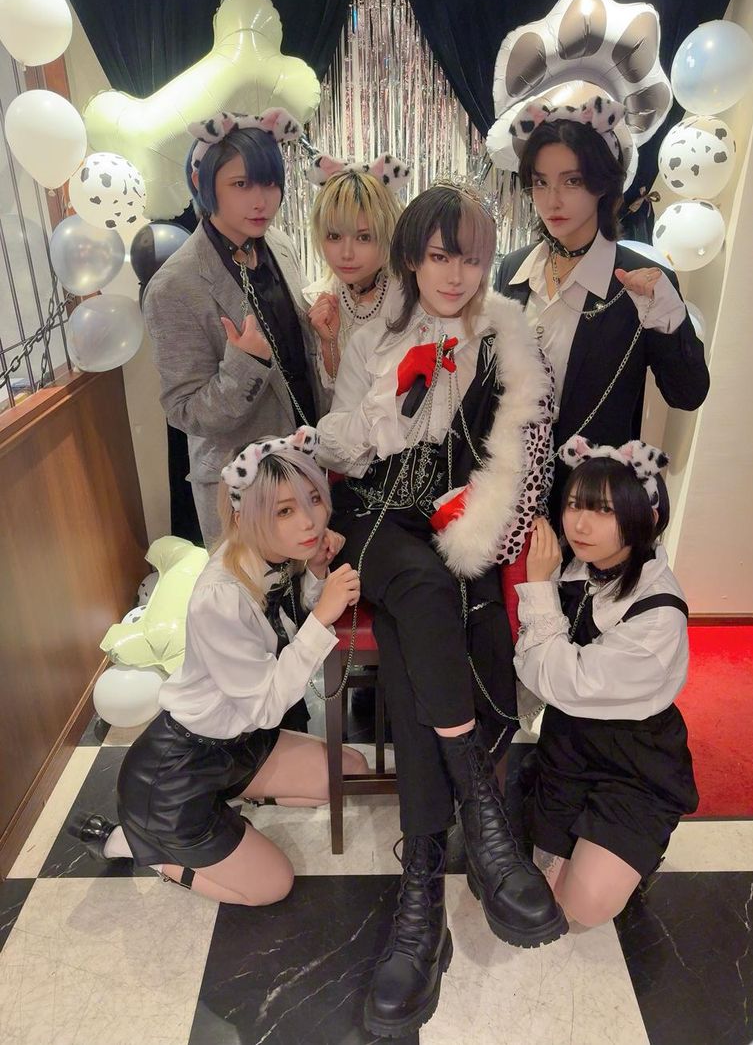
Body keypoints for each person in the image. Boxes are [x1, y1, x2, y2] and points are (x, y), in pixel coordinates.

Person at [316, 184, 566, 1038]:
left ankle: (419, 901)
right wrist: (390, 407)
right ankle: (481, 815)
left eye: (470, 256)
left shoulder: (506, 337)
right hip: (378, 515)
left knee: (420, 618)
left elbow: (522, 456)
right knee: (421, 589)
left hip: (457, 522)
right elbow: (338, 446)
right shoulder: (374, 335)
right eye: (437, 256)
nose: (454, 274)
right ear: (412, 259)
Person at [71, 429, 367, 906]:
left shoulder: (270, 557)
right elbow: (266, 705)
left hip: (240, 748)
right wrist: (322, 618)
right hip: (177, 776)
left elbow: (283, 630)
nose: (309, 521)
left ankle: (230, 804)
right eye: (284, 511)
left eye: (313, 499)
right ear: (245, 515)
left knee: (349, 771)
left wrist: (315, 572)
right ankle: (135, 843)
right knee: (272, 885)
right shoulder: (220, 596)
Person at [514, 434, 699, 928]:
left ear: (647, 518)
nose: (579, 523)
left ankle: (633, 849)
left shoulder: (658, 614)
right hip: (568, 747)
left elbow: (562, 681)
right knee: (545, 893)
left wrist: (538, 587)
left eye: (604, 510)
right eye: (575, 504)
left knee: (583, 907)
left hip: (635, 763)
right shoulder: (581, 566)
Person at [494, 97, 710, 516]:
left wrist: (667, 315)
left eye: (572, 181)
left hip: (590, 503)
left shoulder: (642, 282)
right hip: (510, 495)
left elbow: (687, 393)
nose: (552, 200)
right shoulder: (514, 269)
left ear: (602, 185)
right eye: (540, 182)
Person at [145, 108, 325, 547]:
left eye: (270, 183)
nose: (261, 201)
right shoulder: (173, 287)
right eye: (241, 185)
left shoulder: (278, 244)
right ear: (204, 183)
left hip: (307, 464)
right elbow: (185, 411)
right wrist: (246, 364)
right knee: (253, 591)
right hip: (243, 490)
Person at [304, 152, 409, 389]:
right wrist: (329, 343)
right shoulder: (320, 299)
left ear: (388, 233)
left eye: (364, 237)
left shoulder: (410, 299)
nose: (346, 253)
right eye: (334, 236)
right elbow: (336, 393)